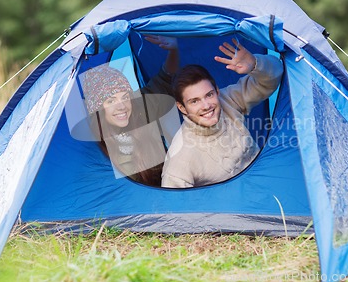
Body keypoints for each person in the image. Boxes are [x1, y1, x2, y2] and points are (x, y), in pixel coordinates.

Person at [161, 39, 283, 188]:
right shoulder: (180, 157)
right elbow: (175, 208)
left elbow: (275, 75)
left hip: (269, 185)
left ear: (217, 91)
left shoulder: (228, 100)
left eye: (209, 95)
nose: (206, 106)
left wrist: (255, 64)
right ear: (182, 108)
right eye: (194, 101)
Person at [83, 35, 179, 186]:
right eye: (111, 101)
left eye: (125, 97)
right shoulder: (92, 145)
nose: (121, 106)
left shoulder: (139, 110)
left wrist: (173, 50)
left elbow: (165, 77)